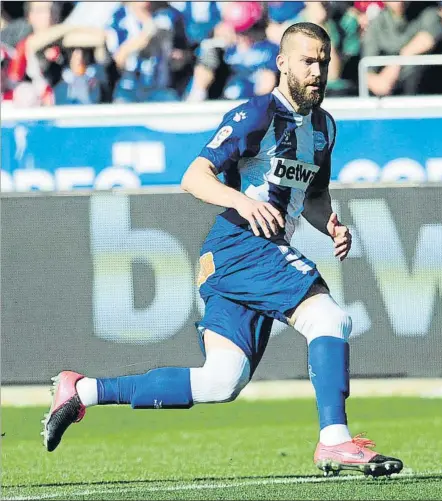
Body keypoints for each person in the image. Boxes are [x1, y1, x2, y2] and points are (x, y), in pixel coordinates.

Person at [42, 22, 404, 479]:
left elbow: (312, 196)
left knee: (220, 380)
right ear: (283, 63)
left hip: (245, 259)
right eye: (308, 61)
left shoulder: (324, 127)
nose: (317, 71)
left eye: (324, 62)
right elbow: (194, 177)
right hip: (239, 246)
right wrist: (243, 200)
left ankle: (83, 390)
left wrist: (330, 224)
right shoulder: (256, 115)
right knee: (330, 318)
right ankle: (334, 440)